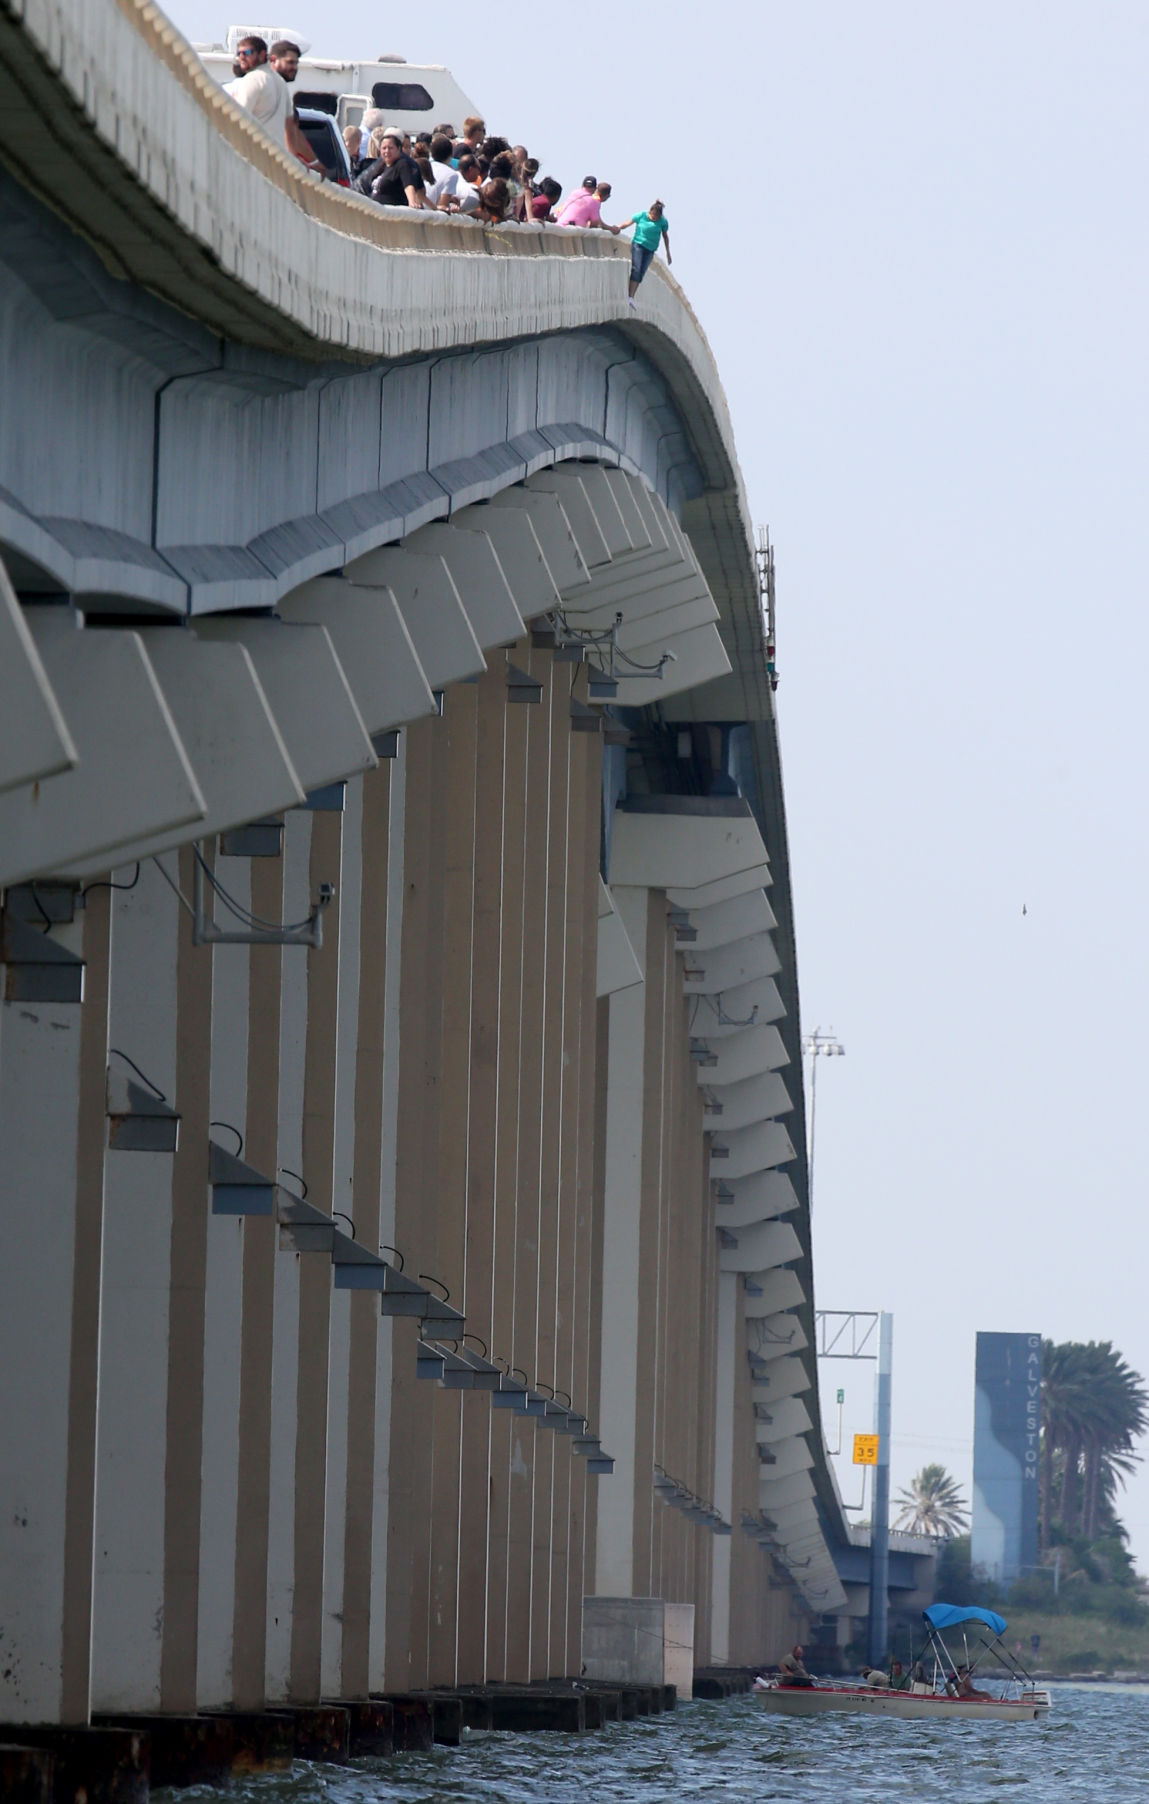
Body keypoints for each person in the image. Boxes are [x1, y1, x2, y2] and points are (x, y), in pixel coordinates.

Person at [266, 40, 326, 176]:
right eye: (290, 62)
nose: (294, 67)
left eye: (296, 63)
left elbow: (294, 131)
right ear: (273, 60)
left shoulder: (281, 89)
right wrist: (293, 159)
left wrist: (315, 162)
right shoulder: (267, 85)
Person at [227, 34, 292, 152]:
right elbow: (290, 125)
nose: (241, 57)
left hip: (255, 155)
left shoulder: (253, 78)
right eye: (239, 53)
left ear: (262, 55)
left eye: (247, 53)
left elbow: (238, 116)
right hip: (277, 157)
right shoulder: (281, 81)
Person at [616, 199, 671, 304]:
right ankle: (630, 295)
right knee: (636, 269)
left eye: (656, 218)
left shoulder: (663, 222)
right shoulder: (641, 215)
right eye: (653, 216)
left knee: (641, 273)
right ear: (650, 212)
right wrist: (618, 228)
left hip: (650, 249)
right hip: (638, 245)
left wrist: (668, 252)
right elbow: (628, 222)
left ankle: (632, 297)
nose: (654, 219)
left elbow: (665, 237)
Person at [361, 127, 425, 207]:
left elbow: (409, 184)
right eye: (384, 148)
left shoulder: (403, 163)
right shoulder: (380, 165)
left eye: (390, 148)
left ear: (398, 148)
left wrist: (412, 201)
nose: (387, 151)